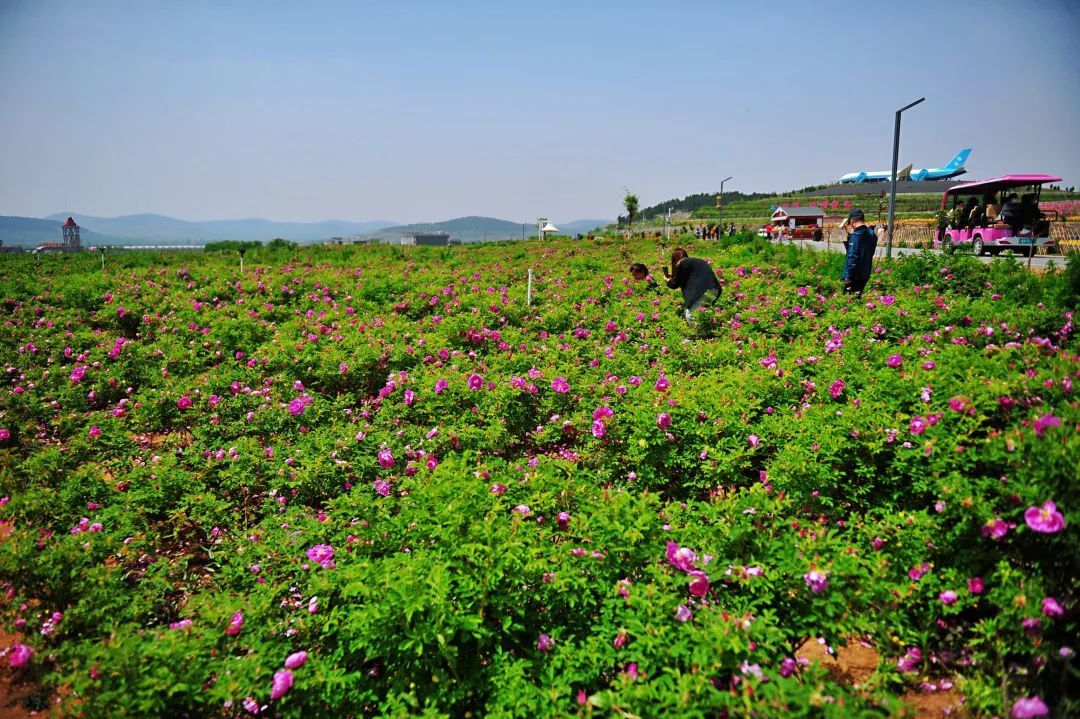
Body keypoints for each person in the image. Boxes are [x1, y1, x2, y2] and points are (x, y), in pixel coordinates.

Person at [662, 247, 722, 324]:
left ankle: (698, 334)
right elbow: (689, 277)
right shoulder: (695, 261)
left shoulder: (682, 262)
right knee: (703, 314)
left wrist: (667, 280)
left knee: (690, 315)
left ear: (675, 259)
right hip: (714, 289)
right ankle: (708, 332)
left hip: (702, 291)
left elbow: (675, 284)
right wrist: (673, 277)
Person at [841, 208, 877, 295]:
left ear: (852, 220)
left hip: (854, 275)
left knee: (848, 301)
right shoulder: (871, 234)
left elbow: (853, 256)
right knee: (857, 298)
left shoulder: (856, 235)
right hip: (865, 273)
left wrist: (849, 276)